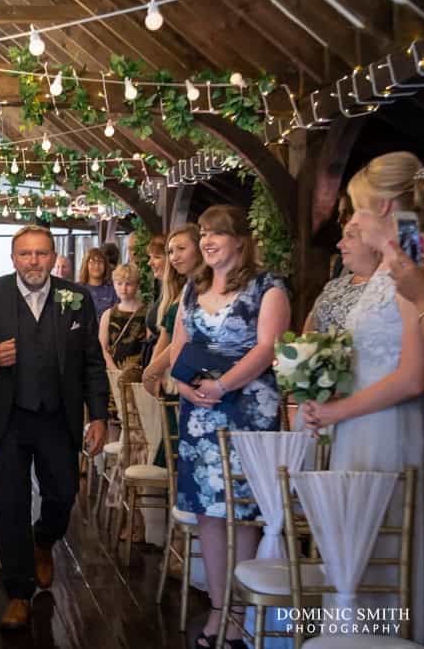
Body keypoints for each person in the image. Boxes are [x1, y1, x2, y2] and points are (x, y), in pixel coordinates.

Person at [0, 226, 109, 631]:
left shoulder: (77, 298)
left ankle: (44, 539)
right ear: (13, 258)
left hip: (59, 416)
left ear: (53, 256)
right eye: (25, 254)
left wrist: (99, 416)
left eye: (41, 254)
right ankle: (18, 592)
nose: (33, 261)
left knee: (64, 494)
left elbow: (92, 360)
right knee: (12, 504)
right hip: (8, 416)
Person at [302, 152, 424, 643]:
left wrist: (336, 410)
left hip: (389, 430)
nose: (349, 220)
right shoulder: (389, 268)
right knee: (358, 551)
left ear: (386, 204)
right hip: (359, 426)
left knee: (382, 548)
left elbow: (413, 377)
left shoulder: (412, 261)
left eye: (355, 208)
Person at [170, 205, 290, 649]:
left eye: (217, 232)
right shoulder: (193, 287)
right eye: (202, 232)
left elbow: (267, 348)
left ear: (241, 239)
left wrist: (222, 385)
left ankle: (240, 612)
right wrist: (184, 387)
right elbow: (180, 348)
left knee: (242, 512)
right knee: (207, 512)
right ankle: (219, 607)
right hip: (198, 413)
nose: (207, 240)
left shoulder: (267, 286)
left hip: (247, 408)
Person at [143, 224, 203, 398]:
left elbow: (182, 339)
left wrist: (152, 370)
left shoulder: (202, 290)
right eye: (170, 252)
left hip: (191, 376)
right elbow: (167, 336)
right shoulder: (186, 290)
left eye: (181, 249)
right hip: (171, 378)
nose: (174, 257)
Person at [301, 219, 377, 334]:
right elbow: (310, 325)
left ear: (373, 243)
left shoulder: (387, 288)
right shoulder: (334, 284)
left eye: (350, 236)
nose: (339, 244)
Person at [98, 263, 147, 372]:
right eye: (119, 283)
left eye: (128, 284)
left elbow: (150, 347)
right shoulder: (108, 315)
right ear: (114, 285)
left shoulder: (147, 314)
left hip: (139, 373)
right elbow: (102, 348)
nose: (123, 288)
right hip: (114, 373)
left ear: (137, 285)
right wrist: (115, 371)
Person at [141, 235, 167, 366]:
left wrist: (153, 368)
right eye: (150, 257)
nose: (150, 262)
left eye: (156, 257)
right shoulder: (163, 290)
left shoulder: (178, 294)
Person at [78, 247, 119, 320]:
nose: (96, 266)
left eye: (100, 262)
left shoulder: (114, 289)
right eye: (92, 262)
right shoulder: (77, 288)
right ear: (85, 265)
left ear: (106, 265)